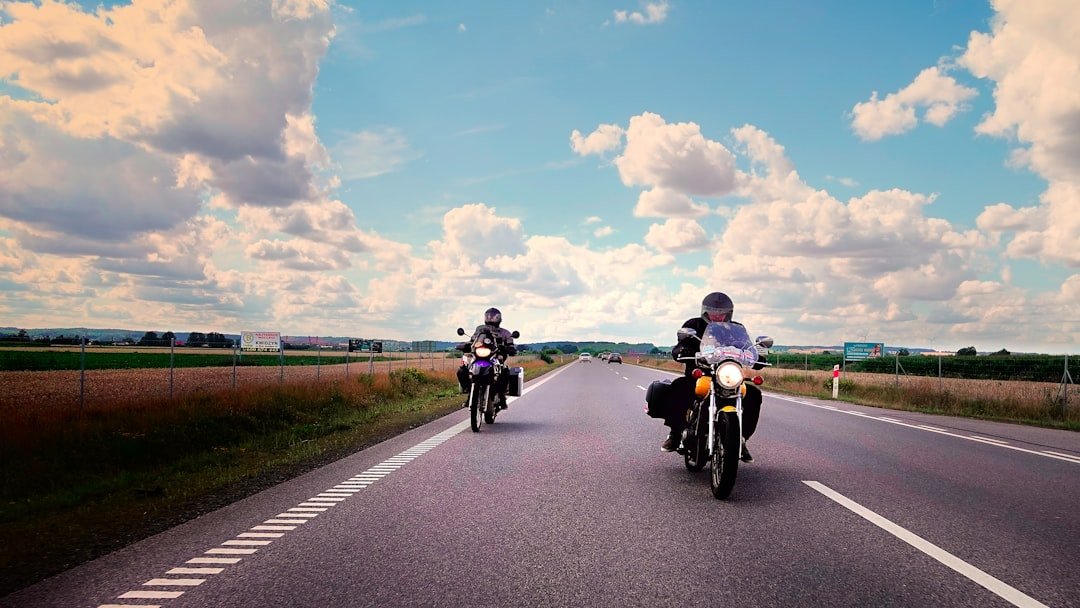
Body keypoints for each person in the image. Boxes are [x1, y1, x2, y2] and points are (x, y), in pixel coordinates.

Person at [661, 292, 762, 462]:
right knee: (679, 387)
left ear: (728, 313)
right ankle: (676, 433)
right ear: (705, 311)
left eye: (721, 312)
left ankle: (742, 440)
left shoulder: (735, 329)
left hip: (728, 376)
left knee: (753, 395)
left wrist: (758, 357)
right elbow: (680, 346)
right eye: (713, 311)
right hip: (699, 375)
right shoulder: (694, 325)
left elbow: (747, 347)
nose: (717, 315)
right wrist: (682, 351)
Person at [457, 307, 518, 409]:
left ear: (499, 318)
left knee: (505, 372)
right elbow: (472, 340)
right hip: (479, 357)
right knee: (462, 370)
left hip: (496, 357)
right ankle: (469, 393)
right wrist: (464, 345)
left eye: (494, 317)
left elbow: (510, 343)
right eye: (489, 316)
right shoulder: (479, 330)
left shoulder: (505, 333)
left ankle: (502, 396)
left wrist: (510, 347)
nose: (491, 319)